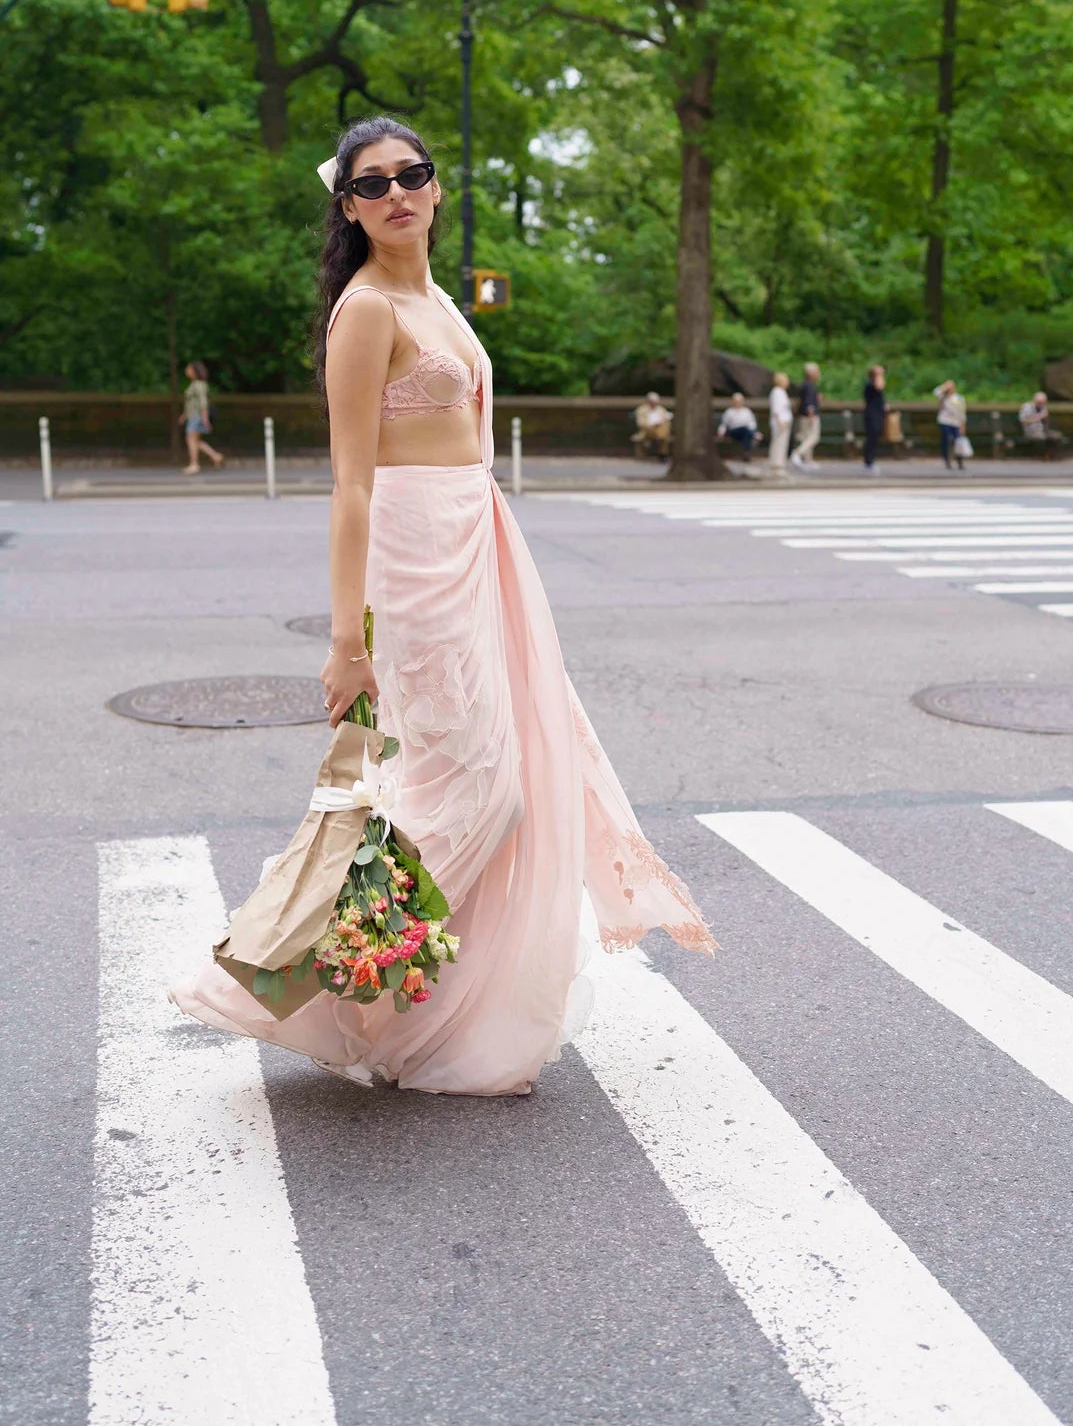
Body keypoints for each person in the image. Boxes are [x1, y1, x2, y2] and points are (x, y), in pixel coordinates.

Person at [170, 116, 716, 1094]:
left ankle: (424, 1007)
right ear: (346, 205)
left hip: (478, 549)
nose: (396, 193)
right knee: (465, 788)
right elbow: (348, 485)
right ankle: (333, 974)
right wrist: (347, 640)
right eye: (371, 183)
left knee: (506, 778)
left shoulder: (438, 301)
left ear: (433, 186)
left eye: (410, 175)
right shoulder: (367, 309)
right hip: (411, 563)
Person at [179, 359, 225, 475]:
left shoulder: (199, 385)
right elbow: (191, 402)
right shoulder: (194, 384)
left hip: (196, 416)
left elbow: (202, 403)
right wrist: (184, 415)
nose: (187, 371)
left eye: (189, 368)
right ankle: (215, 456)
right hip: (193, 415)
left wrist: (204, 419)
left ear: (194, 371)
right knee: (196, 441)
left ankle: (194, 464)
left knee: (191, 439)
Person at [790, 362, 822, 469]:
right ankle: (798, 453)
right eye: (817, 371)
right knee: (813, 437)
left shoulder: (806, 385)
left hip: (803, 415)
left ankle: (808, 460)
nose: (818, 374)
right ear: (811, 373)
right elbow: (808, 403)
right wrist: (811, 415)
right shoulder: (809, 386)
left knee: (806, 438)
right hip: (809, 415)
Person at [933, 379, 969, 471]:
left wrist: (963, 424)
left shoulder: (959, 398)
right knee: (946, 440)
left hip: (956, 423)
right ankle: (947, 460)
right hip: (945, 421)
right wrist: (944, 387)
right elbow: (936, 392)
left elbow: (962, 412)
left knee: (958, 441)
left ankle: (959, 460)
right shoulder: (943, 397)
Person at [1018, 391, 1068, 456]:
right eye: (1040, 403)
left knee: (1057, 436)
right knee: (1042, 438)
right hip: (1031, 431)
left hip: (1043, 431)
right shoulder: (1026, 407)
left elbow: (1046, 422)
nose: (1041, 404)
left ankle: (1049, 454)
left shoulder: (1043, 407)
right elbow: (1023, 420)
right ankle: (1043, 454)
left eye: (1043, 402)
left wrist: (1046, 419)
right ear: (1034, 400)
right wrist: (1039, 416)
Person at [716, 392, 761, 458]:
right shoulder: (729, 411)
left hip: (745, 432)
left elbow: (752, 423)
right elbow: (724, 424)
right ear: (733, 402)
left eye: (740, 401)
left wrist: (751, 430)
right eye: (736, 401)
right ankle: (754, 435)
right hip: (734, 432)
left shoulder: (747, 411)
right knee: (745, 431)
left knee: (745, 434)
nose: (738, 403)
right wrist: (721, 432)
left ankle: (746, 453)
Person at [632, 391, 672, 459]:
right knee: (663, 433)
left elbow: (665, 418)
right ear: (649, 401)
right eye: (653, 402)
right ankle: (662, 453)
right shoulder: (642, 409)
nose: (655, 403)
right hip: (647, 430)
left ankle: (660, 440)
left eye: (656, 402)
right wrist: (651, 424)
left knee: (665, 426)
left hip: (659, 429)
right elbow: (640, 423)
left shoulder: (661, 409)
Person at [767, 371, 793, 474]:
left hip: (785, 421)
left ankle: (780, 463)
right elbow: (776, 409)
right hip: (780, 422)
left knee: (782, 443)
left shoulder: (782, 392)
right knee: (778, 443)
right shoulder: (776, 392)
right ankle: (776, 464)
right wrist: (779, 422)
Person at [863, 364, 887, 473]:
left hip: (877, 414)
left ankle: (870, 460)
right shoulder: (870, 385)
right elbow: (880, 385)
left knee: (874, 437)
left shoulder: (873, 385)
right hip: (872, 415)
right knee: (871, 438)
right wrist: (878, 374)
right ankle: (869, 461)